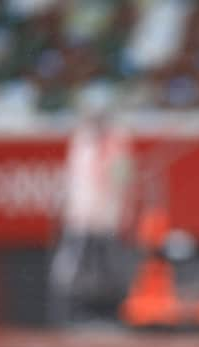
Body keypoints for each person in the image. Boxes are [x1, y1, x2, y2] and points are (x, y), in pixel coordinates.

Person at [48, 107, 135, 326]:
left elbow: (123, 179)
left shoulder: (118, 140)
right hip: (80, 217)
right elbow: (75, 180)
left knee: (111, 269)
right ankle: (70, 312)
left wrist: (123, 211)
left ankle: (110, 314)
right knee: (72, 267)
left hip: (108, 218)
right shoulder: (82, 140)